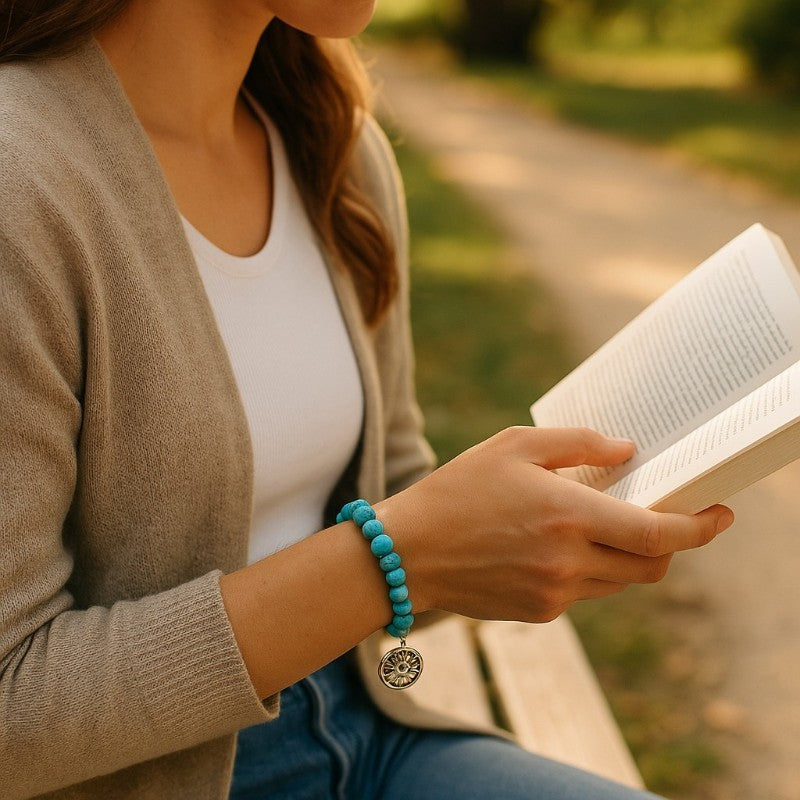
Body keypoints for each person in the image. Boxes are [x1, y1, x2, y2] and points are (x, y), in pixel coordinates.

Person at [0, 2, 734, 799]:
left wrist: (550, 512)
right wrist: (403, 559)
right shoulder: (24, 182)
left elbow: (392, 494)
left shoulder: (334, 147)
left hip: (366, 735)